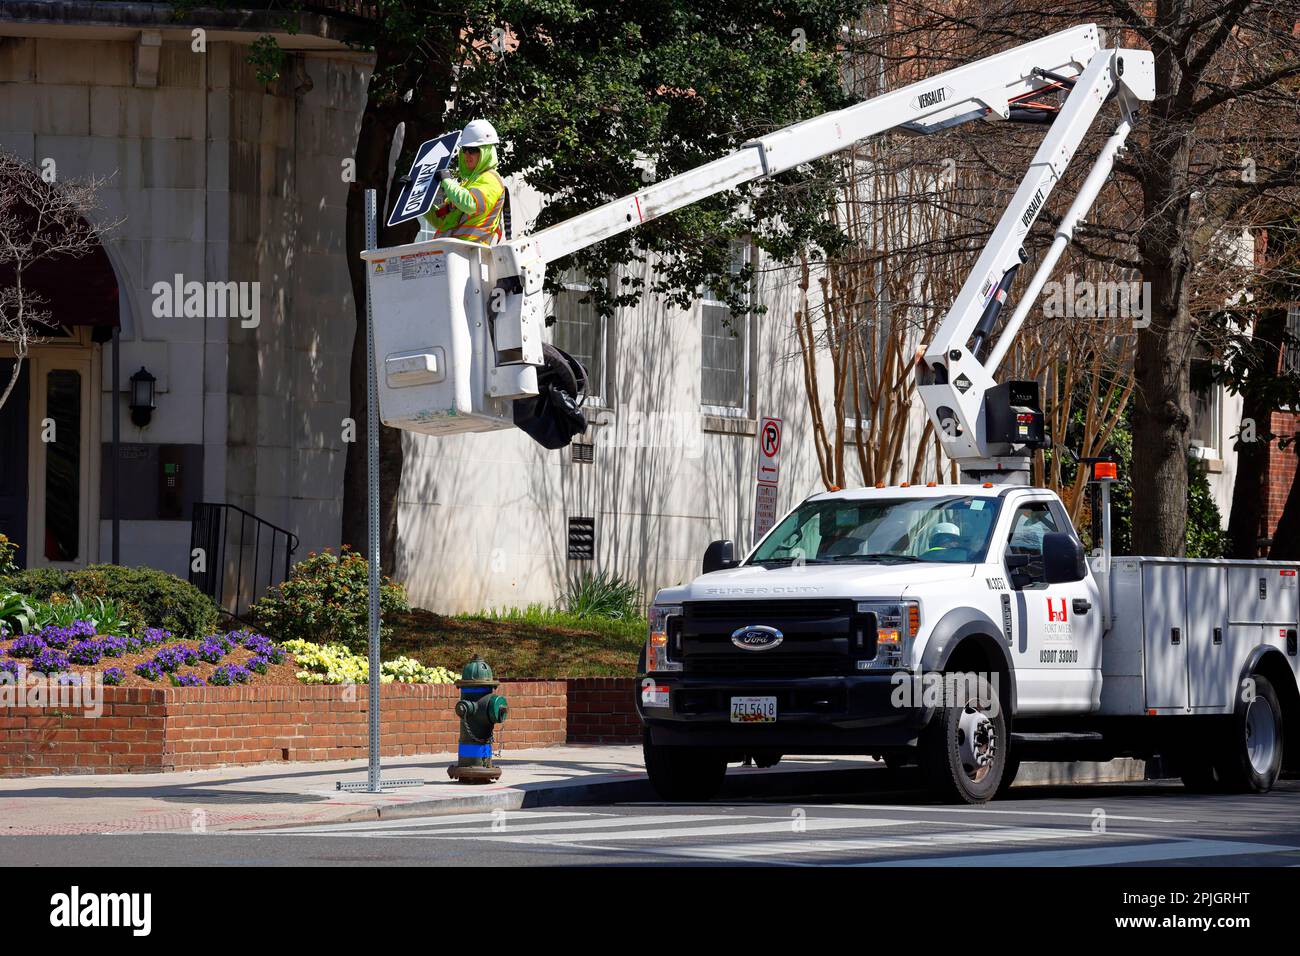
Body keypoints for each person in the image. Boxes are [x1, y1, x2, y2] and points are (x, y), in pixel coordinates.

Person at [423, 119, 507, 245]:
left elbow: (470, 204)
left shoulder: (491, 179)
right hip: (452, 254)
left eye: (473, 150)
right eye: (465, 149)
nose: (467, 154)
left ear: (486, 151)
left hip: (471, 256)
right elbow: (441, 220)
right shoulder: (467, 185)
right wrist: (418, 198)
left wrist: (447, 180)